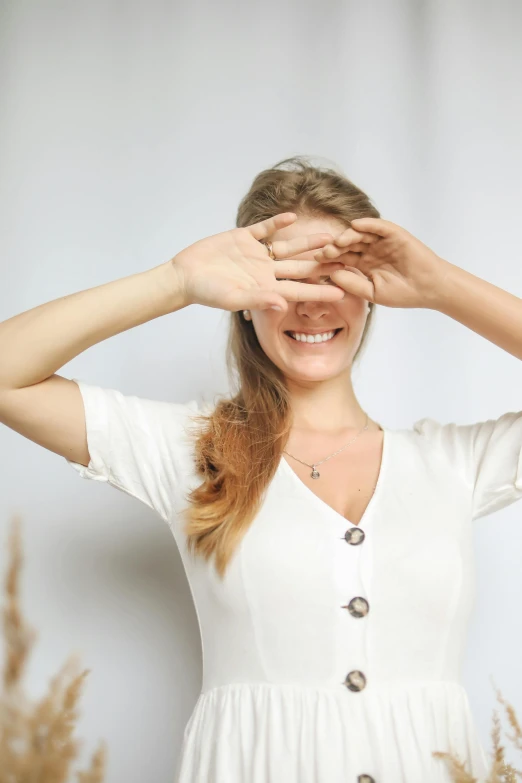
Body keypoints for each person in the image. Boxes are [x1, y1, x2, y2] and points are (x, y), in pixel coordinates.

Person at [1, 156, 521, 783]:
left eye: (337, 277)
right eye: (283, 278)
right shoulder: (188, 449)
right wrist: (174, 281)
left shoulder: (456, 463)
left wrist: (443, 286)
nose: (308, 305)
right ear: (241, 301)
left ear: (374, 295)